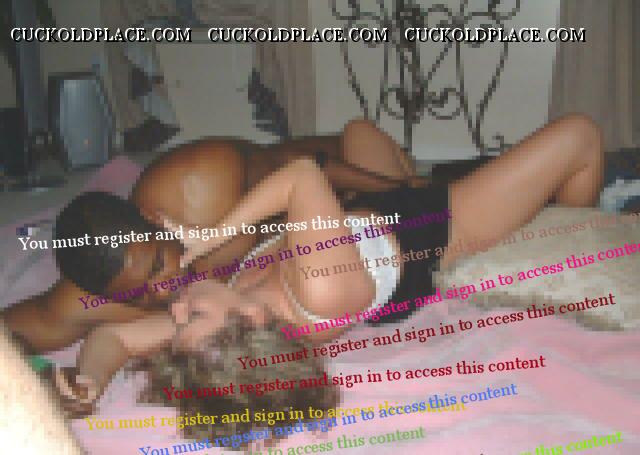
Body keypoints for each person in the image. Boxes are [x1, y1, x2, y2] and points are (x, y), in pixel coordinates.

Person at [64, 113, 603, 414]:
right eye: (192, 317)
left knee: (358, 131)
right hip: (438, 224)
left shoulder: (225, 327)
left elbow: (113, 338)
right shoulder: (320, 295)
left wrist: (88, 380)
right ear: (250, 322)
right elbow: (302, 175)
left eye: (178, 321)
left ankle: (413, 174)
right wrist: (211, 237)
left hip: (356, 211)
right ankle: (569, 232)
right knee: (578, 137)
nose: (176, 307)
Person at [2, 120, 421, 355]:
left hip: (341, 178)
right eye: (139, 295)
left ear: (152, 218)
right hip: (311, 236)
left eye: (158, 264)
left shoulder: (203, 180)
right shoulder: (96, 292)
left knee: (360, 135)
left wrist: (401, 190)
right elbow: (20, 328)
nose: (164, 289)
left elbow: (307, 168)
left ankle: (406, 175)